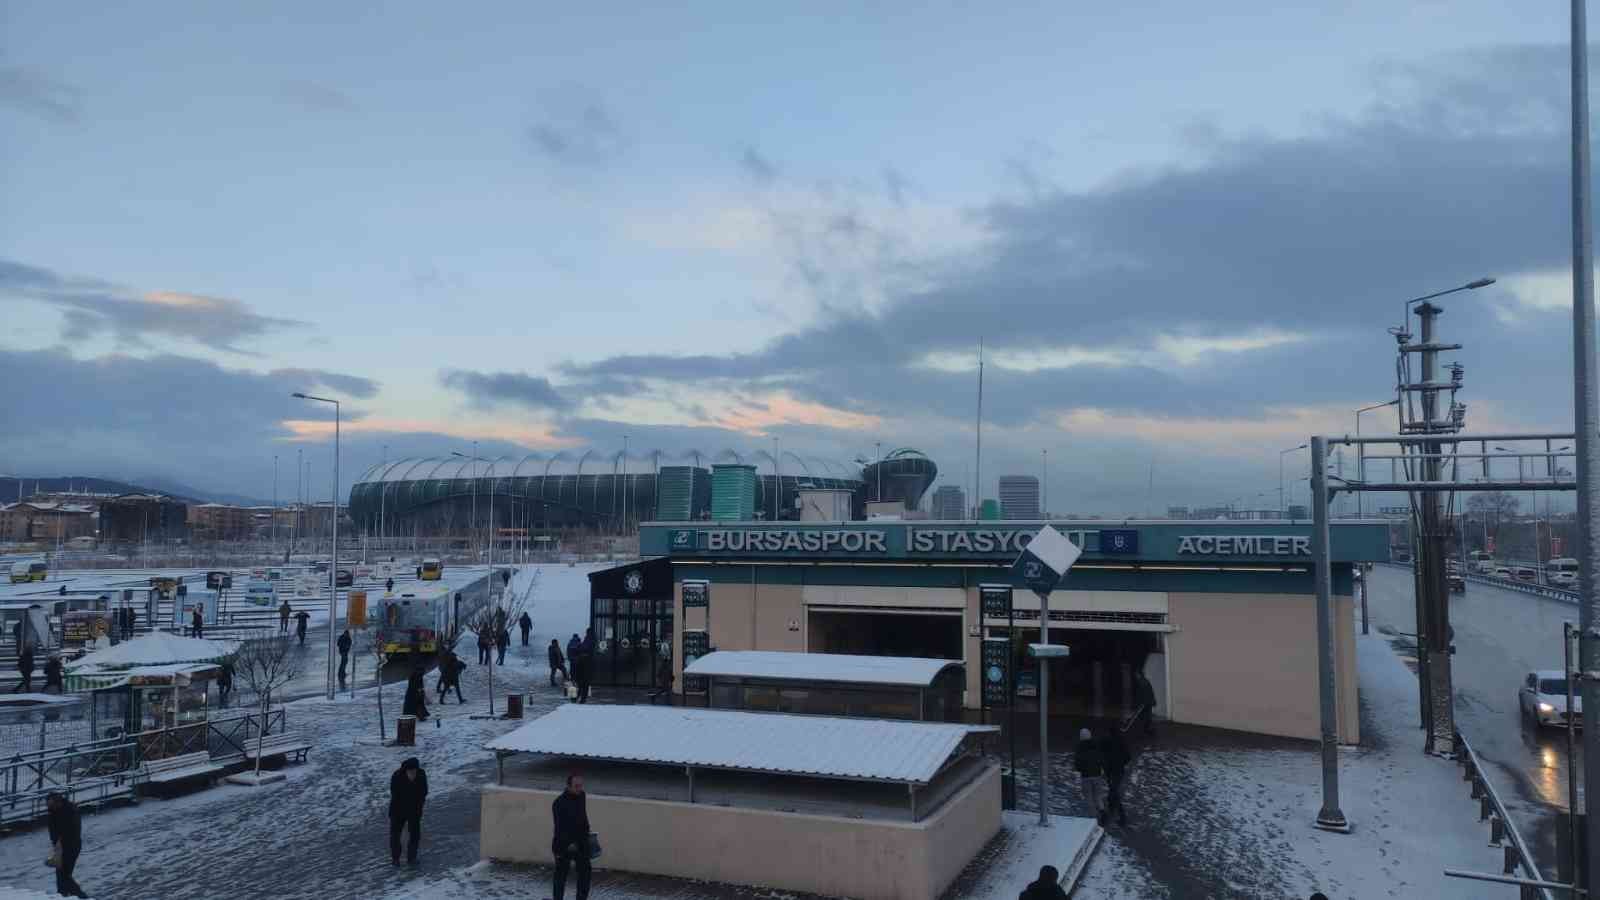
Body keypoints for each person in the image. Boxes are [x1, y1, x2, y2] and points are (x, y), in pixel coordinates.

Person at [551, 772, 592, 900]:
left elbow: (583, 818)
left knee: (585, 874)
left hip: (581, 842)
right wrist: (569, 844)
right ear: (568, 786)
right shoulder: (559, 803)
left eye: (581, 785)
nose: (580, 789)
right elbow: (560, 827)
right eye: (576, 786)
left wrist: (588, 835)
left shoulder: (582, 796)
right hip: (564, 844)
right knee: (561, 876)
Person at [46, 792, 88, 898]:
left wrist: (59, 839)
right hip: (61, 847)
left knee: (63, 875)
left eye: (52, 804)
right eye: (49, 804)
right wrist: (56, 842)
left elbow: (72, 829)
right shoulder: (53, 811)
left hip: (71, 846)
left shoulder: (70, 810)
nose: (50, 806)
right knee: (61, 874)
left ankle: (81, 896)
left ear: (58, 802)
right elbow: (53, 828)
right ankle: (62, 894)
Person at [388, 757, 428, 866]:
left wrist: (419, 807)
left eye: (414, 771)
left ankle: (412, 858)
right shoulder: (397, 776)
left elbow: (424, 791)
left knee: (415, 835)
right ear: (406, 770)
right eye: (411, 771)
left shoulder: (421, 774)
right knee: (395, 835)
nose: (413, 773)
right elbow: (395, 795)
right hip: (398, 810)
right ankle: (395, 858)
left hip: (414, 811)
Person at [1074, 727, 1106, 823]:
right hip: (1097, 774)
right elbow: (1101, 759)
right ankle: (1102, 811)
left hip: (1086, 776)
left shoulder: (1079, 748)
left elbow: (1078, 765)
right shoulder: (1096, 746)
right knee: (1098, 795)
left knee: (1089, 798)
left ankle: (1094, 818)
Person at [1100, 728, 1131, 827]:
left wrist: (1104, 764)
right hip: (1118, 771)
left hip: (1109, 770)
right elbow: (1127, 757)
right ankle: (1117, 812)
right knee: (1114, 790)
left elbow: (1101, 754)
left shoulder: (1105, 742)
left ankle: (1120, 814)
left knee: (1113, 790)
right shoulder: (1122, 743)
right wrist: (1121, 763)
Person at [1134, 671, 1157, 736]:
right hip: (1147, 703)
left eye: (1137, 675)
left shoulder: (1142, 682)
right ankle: (1148, 731)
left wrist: (1140, 703)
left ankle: (1148, 732)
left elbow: (1144, 694)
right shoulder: (1145, 681)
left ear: (1139, 675)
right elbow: (1150, 692)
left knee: (1144, 718)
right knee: (1146, 718)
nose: (1136, 676)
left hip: (1146, 703)